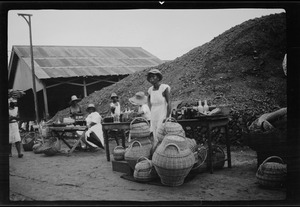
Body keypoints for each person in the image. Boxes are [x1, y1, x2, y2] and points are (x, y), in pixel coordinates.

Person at [147, 69, 171, 147]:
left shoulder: (164, 88)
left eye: (153, 76)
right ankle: (157, 152)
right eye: (150, 77)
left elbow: (169, 103)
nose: (151, 79)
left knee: (161, 133)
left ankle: (163, 151)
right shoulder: (150, 90)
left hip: (163, 113)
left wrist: (167, 117)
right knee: (154, 133)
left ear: (158, 78)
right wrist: (151, 111)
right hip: (154, 114)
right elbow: (149, 102)